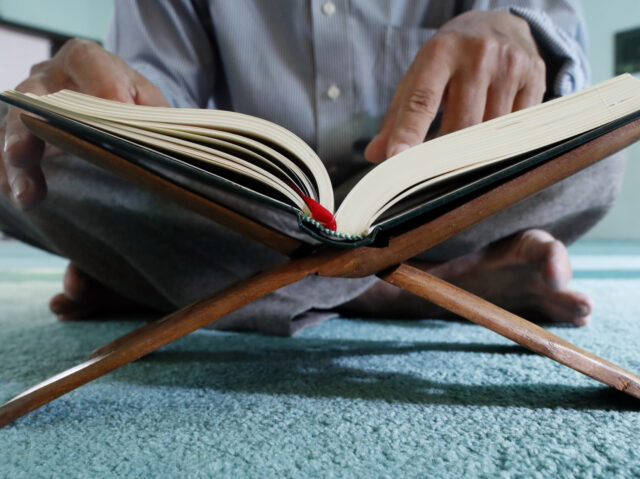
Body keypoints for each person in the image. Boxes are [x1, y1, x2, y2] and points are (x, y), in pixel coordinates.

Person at [0, 0, 626, 335]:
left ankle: (166, 283)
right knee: (24, 154)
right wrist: (97, 102)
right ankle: (418, 287)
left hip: (429, 201)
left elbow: (559, 63)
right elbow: (158, 85)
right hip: (244, 197)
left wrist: (520, 31)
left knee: (597, 156)